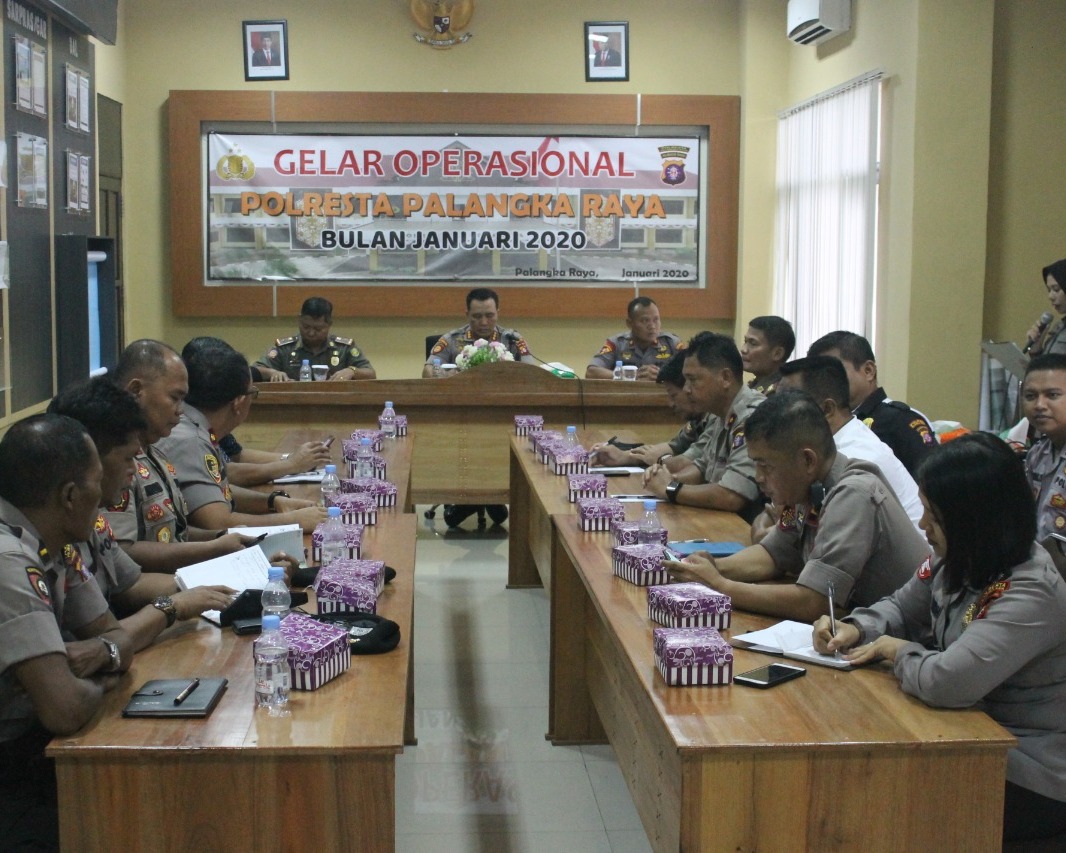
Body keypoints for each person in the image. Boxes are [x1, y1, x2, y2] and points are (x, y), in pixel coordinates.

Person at [813, 433, 1066, 844]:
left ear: (971, 519)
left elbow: (948, 682)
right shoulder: (958, 558)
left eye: (934, 515)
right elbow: (900, 608)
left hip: (1026, 769)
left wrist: (897, 652)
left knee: (875, 803)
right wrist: (857, 627)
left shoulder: (1031, 592)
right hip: (964, 737)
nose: (921, 524)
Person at [664, 391, 929, 620]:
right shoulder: (807, 493)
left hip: (908, 642)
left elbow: (815, 602)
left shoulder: (852, 494)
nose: (758, 477)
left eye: (765, 465)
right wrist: (710, 567)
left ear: (807, 461)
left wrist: (720, 586)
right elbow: (773, 554)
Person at [0, 415, 135, 848]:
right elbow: (64, 709)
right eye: (97, 481)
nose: (106, 493)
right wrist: (105, 675)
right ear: (71, 496)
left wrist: (103, 655)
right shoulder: (9, 560)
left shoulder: (54, 541)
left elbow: (114, 634)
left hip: (32, 745)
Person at [48, 377, 235, 652]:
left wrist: (214, 589)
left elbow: (129, 583)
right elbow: (100, 645)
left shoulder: (90, 519)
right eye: (127, 459)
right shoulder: (41, 543)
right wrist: (173, 606)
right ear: (90, 458)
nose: (135, 468)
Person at [106, 340, 252, 572]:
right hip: (148, 592)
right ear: (136, 391)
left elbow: (174, 533)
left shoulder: (154, 450)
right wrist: (213, 548)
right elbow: (121, 552)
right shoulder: (112, 459)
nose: (181, 410)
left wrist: (223, 538)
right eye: (175, 398)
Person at [157, 337, 327, 532]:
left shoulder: (197, 426)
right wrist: (293, 521)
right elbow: (218, 522)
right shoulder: (191, 440)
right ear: (238, 402)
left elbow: (217, 489)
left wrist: (273, 501)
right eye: (252, 392)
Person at [762, 356, 924, 536]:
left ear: (827, 410)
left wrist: (773, 529)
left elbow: (790, 532)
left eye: (788, 403)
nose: (778, 415)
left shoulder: (855, 458)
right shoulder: (819, 449)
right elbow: (784, 520)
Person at [641, 332, 764, 518]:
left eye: (693, 379)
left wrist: (671, 488)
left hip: (743, 527)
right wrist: (666, 479)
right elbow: (702, 468)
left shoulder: (751, 418)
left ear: (725, 378)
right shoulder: (719, 413)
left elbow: (732, 495)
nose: (686, 389)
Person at [808, 330, 937, 476]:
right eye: (817, 376)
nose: (823, 382)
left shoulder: (901, 421)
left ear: (868, 371)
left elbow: (933, 482)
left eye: (832, 372)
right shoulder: (829, 423)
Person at [590, 349, 707, 468]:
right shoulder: (696, 419)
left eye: (673, 396)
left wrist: (658, 462)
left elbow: (687, 462)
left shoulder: (715, 418)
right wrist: (624, 456)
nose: (671, 404)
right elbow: (673, 447)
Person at [255, 296, 375, 381]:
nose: (311, 333)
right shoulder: (285, 348)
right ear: (299, 320)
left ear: (329, 325)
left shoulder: (344, 348)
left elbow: (370, 373)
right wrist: (272, 372)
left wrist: (352, 371)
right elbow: (253, 371)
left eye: (318, 329)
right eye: (306, 326)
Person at [422, 287, 532, 378]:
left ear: (497, 313)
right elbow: (427, 372)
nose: (484, 322)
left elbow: (532, 373)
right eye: (477, 316)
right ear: (467, 314)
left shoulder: (512, 339)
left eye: (489, 316)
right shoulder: (451, 340)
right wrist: (448, 375)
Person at [1022, 354, 1066, 551]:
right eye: (1031, 396)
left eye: (1053, 395)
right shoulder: (1037, 453)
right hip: (1043, 566)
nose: (1039, 405)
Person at [585, 296, 684, 381]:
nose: (652, 326)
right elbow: (591, 372)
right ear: (629, 323)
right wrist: (630, 376)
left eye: (656, 320)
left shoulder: (672, 343)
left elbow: (691, 373)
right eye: (645, 320)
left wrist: (663, 376)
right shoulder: (617, 344)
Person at [740, 315, 795, 395]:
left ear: (777, 354)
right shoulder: (753, 384)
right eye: (745, 341)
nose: (743, 350)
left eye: (753, 343)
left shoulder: (782, 391)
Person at [1024, 258, 1066, 356]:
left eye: (1056, 289)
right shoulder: (1059, 327)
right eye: (1049, 290)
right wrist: (1035, 349)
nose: (1050, 296)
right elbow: (1047, 368)